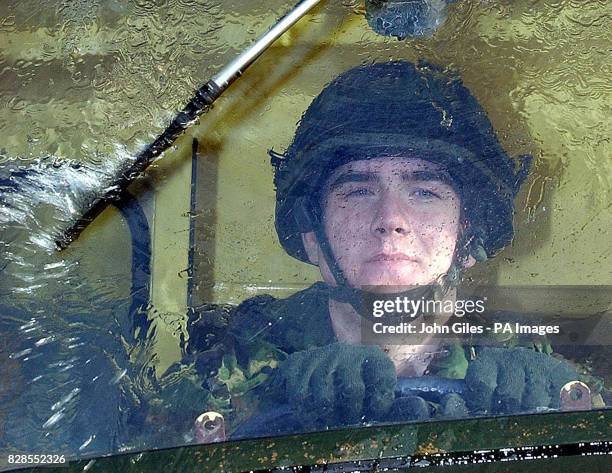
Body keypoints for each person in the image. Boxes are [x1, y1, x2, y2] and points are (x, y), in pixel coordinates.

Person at [151, 60, 594, 442]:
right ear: (312, 236)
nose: (390, 218)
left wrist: (579, 410)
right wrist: (268, 399)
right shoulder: (245, 353)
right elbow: (146, 437)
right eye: (359, 190)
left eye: (424, 191)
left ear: (469, 236)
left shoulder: (521, 352)